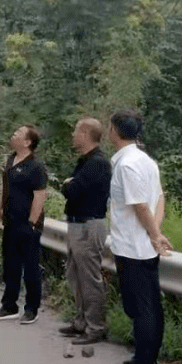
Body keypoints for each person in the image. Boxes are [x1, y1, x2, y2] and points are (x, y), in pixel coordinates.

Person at [106, 110, 172, 364]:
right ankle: (147, 358)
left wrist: (153, 235)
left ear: (114, 131)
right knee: (149, 306)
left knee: (140, 308)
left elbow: (140, 205)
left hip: (132, 248)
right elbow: (160, 199)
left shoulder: (127, 165)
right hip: (142, 245)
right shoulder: (146, 161)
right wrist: (154, 235)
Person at [58, 117, 112, 346]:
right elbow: (72, 187)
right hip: (77, 224)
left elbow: (73, 190)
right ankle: (81, 321)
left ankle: (95, 327)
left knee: (89, 279)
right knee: (75, 274)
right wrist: (69, 184)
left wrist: (68, 184)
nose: (73, 135)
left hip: (88, 226)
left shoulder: (97, 163)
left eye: (76, 132)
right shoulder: (86, 161)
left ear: (86, 133)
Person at [0, 124, 48, 324]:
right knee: (11, 265)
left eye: (18, 134)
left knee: (30, 268)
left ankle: (32, 308)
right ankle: (9, 306)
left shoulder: (36, 167)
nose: (13, 135)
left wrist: (31, 222)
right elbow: (6, 188)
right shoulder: (11, 159)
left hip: (28, 224)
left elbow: (40, 196)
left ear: (28, 142)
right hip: (10, 221)